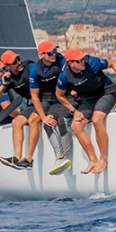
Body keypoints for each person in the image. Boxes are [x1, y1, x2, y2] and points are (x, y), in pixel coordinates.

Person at [56, 48, 116, 174]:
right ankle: (93, 159)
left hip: (106, 93)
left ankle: (103, 159)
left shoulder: (92, 62)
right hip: (88, 98)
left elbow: (112, 62)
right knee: (76, 126)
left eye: (82, 58)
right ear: (71, 63)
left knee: (97, 121)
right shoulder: (65, 76)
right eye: (79, 60)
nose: (82, 62)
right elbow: (59, 95)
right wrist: (74, 111)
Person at [28, 41, 75, 175]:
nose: (54, 54)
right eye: (50, 53)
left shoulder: (62, 61)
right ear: (42, 55)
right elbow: (34, 96)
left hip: (64, 96)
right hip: (48, 99)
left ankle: (64, 157)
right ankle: (59, 158)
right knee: (47, 124)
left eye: (55, 51)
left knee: (59, 121)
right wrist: (43, 117)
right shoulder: (34, 69)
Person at [0, 50, 38, 170]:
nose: (19, 62)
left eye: (18, 59)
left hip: (46, 101)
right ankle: (17, 157)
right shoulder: (9, 79)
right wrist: (4, 85)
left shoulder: (30, 67)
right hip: (34, 104)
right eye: (14, 62)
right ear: (7, 67)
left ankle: (28, 159)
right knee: (16, 122)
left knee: (33, 119)